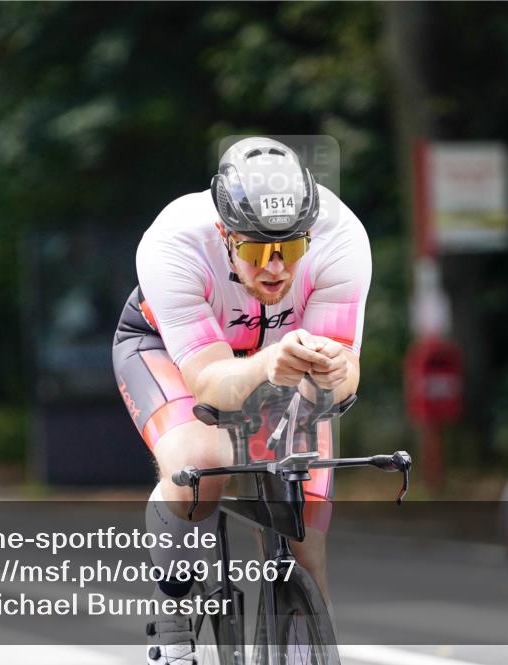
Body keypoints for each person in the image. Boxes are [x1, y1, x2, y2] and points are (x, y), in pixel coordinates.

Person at [112, 137, 371, 665]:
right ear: (224, 234)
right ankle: (171, 620)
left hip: (279, 360)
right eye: (256, 251)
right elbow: (208, 383)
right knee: (202, 466)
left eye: (291, 249)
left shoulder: (342, 237)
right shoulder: (174, 241)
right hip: (169, 350)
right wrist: (264, 365)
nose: (275, 267)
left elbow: (340, 380)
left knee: (303, 537)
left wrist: (335, 372)